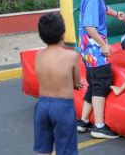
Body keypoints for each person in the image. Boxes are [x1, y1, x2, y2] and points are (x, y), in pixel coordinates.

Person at [76, 0, 125, 139]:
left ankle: (83, 122)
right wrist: (103, 45)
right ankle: (99, 126)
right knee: (102, 83)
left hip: (88, 50)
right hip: (94, 49)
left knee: (94, 82)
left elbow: (104, 9)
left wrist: (117, 13)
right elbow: (89, 26)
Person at [34, 13, 83, 155]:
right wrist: (76, 85)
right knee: (66, 150)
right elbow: (77, 82)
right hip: (63, 107)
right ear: (63, 34)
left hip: (42, 105)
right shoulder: (71, 56)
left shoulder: (39, 55)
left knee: (43, 149)